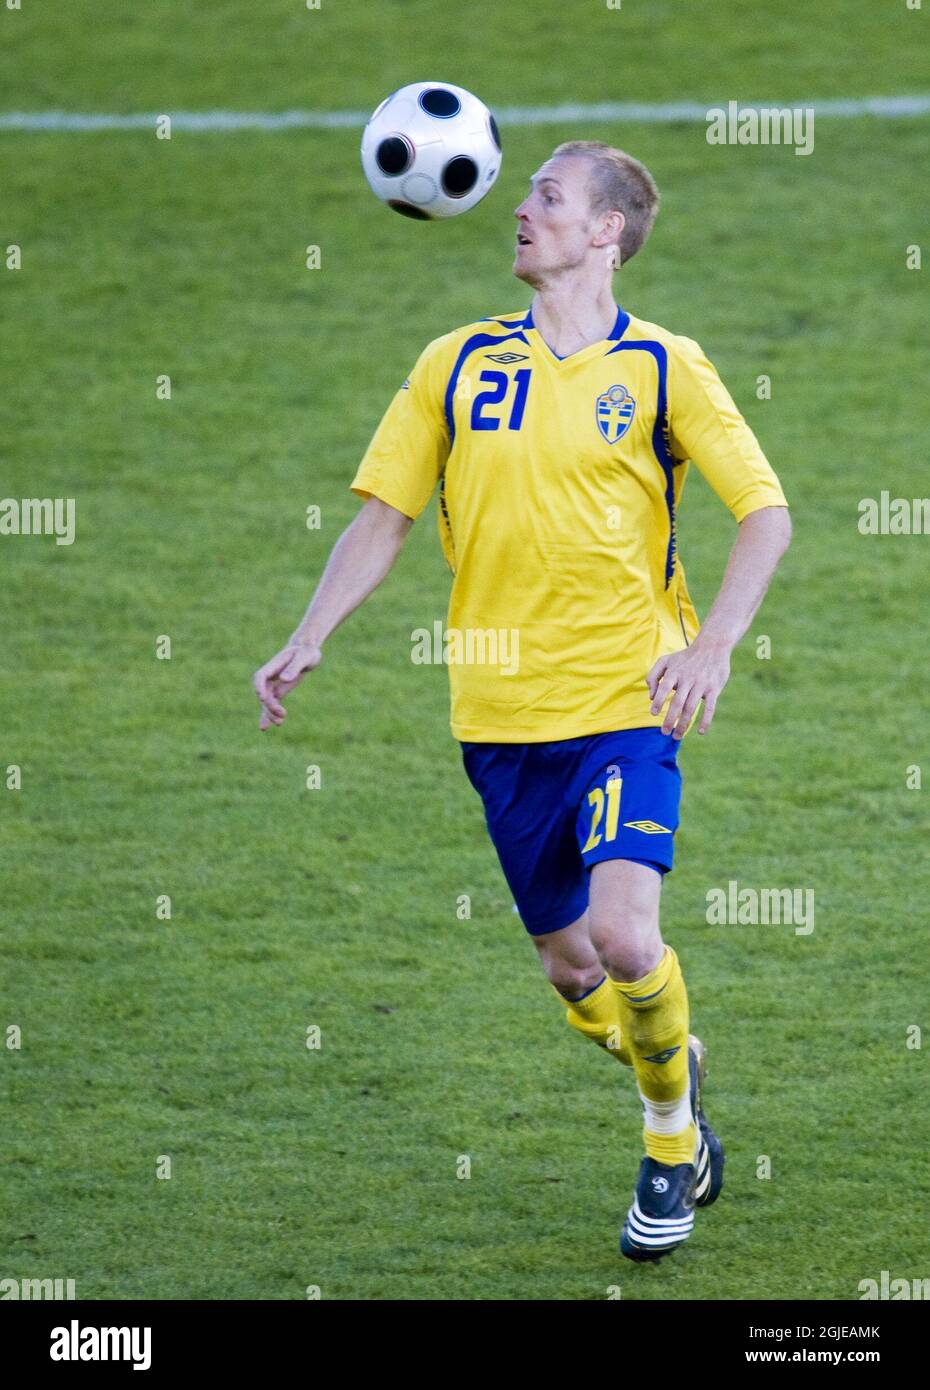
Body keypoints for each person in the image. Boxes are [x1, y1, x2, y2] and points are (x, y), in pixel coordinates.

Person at [253, 140, 791, 1260]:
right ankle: (670, 1063)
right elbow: (384, 517)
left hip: (629, 692)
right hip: (499, 719)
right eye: (524, 194)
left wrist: (717, 646)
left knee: (626, 935)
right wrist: (310, 632)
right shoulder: (452, 363)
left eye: (548, 196)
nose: (520, 211)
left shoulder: (664, 367)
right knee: (573, 969)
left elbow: (765, 512)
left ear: (605, 232)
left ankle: (663, 1147)